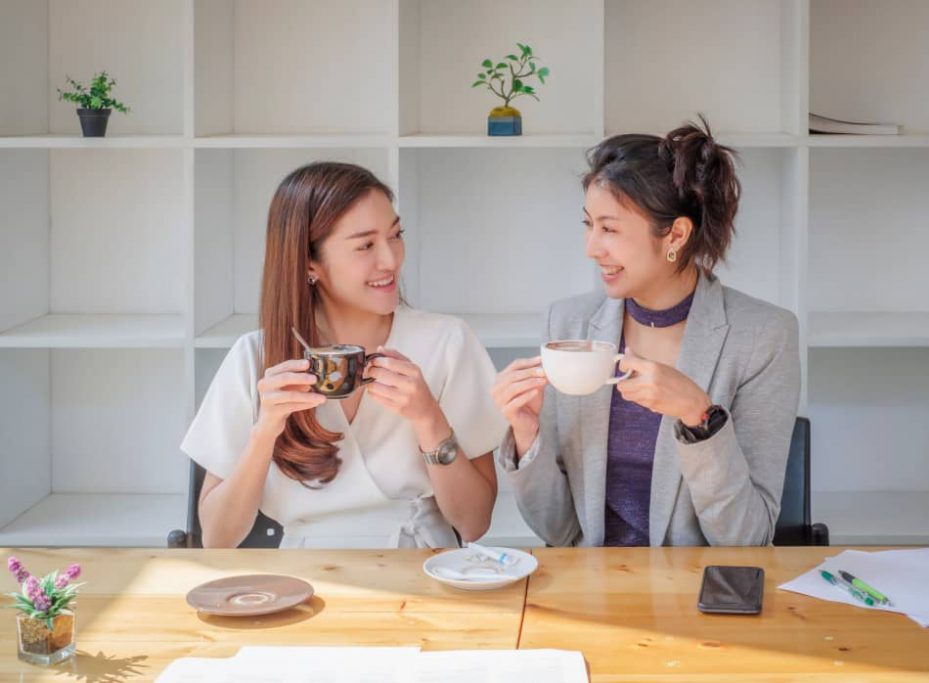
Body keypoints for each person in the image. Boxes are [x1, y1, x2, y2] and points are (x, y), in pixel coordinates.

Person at [491, 117, 800, 547]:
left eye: (610, 229)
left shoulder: (764, 336)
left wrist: (699, 416)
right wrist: (527, 435)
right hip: (589, 592)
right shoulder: (568, 326)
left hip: (697, 597)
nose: (591, 248)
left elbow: (747, 540)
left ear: (675, 234)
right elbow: (558, 533)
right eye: (589, 224)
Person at [181, 162, 506, 549]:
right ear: (309, 263)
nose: (391, 260)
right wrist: (265, 432)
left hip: (422, 567)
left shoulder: (447, 341)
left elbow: (474, 524)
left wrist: (428, 419)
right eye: (365, 245)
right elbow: (217, 539)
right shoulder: (255, 358)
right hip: (301, 580)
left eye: (395, 235)